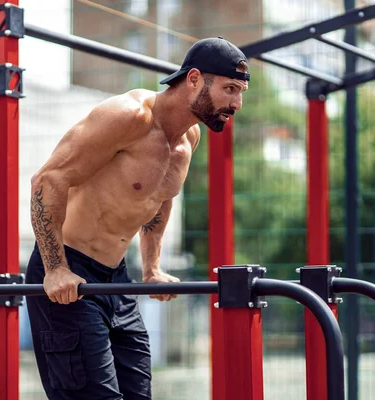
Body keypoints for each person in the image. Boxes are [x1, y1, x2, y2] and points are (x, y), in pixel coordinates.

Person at [26, 36, 250, 400]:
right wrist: (55, 268)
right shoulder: (129, 116)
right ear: (194, 79)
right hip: (68, 274)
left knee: (138, 394)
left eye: (240, 92)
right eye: (229, 89)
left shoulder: (188, 138)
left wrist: (152, 267)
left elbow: (160, 198)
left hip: (117, 278)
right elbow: (48, 180)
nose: (236, 103)